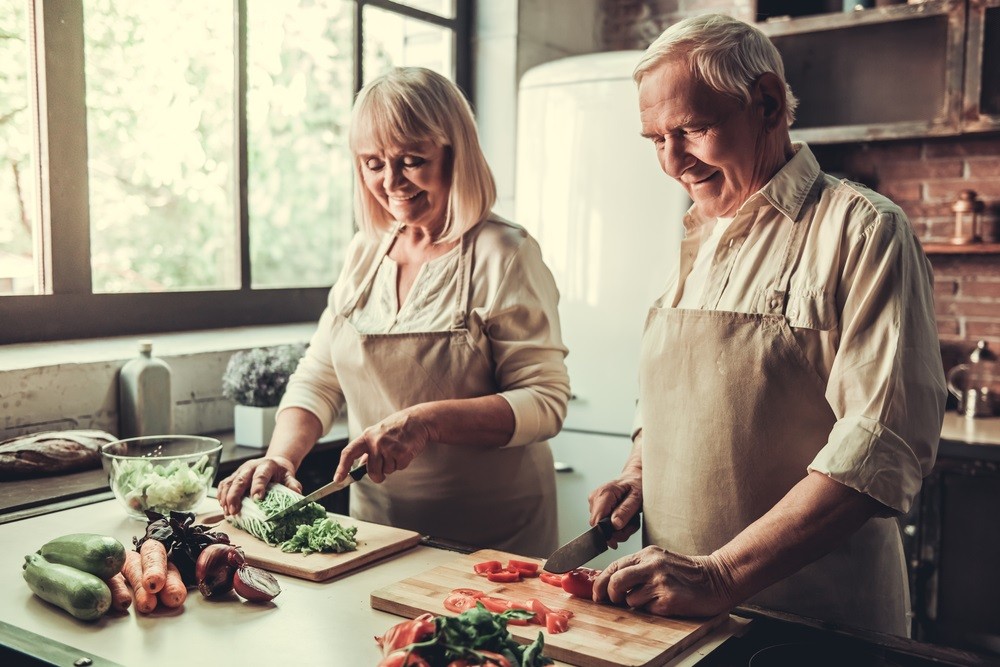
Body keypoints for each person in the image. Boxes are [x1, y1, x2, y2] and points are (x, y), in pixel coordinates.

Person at [586, 14, 946, 636]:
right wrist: (640, 468)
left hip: (814, 621)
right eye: (654, 139)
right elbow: (683, 395)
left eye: (692, 129)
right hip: (680, 619)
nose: (672, 163)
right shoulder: (696, 235)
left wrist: (721, 574)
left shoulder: (863, 230)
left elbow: (882, 443)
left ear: (767, 105)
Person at [217, 67, 570, 558]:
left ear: (455, 154)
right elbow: (318, 378)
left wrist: (427, 421)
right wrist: (282, 456)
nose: (391, 181)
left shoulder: (504, 253)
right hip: (378, 531)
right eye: (373, 163)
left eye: (411, 160)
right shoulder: (365, 253)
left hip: (494, 541)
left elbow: (545, 402)